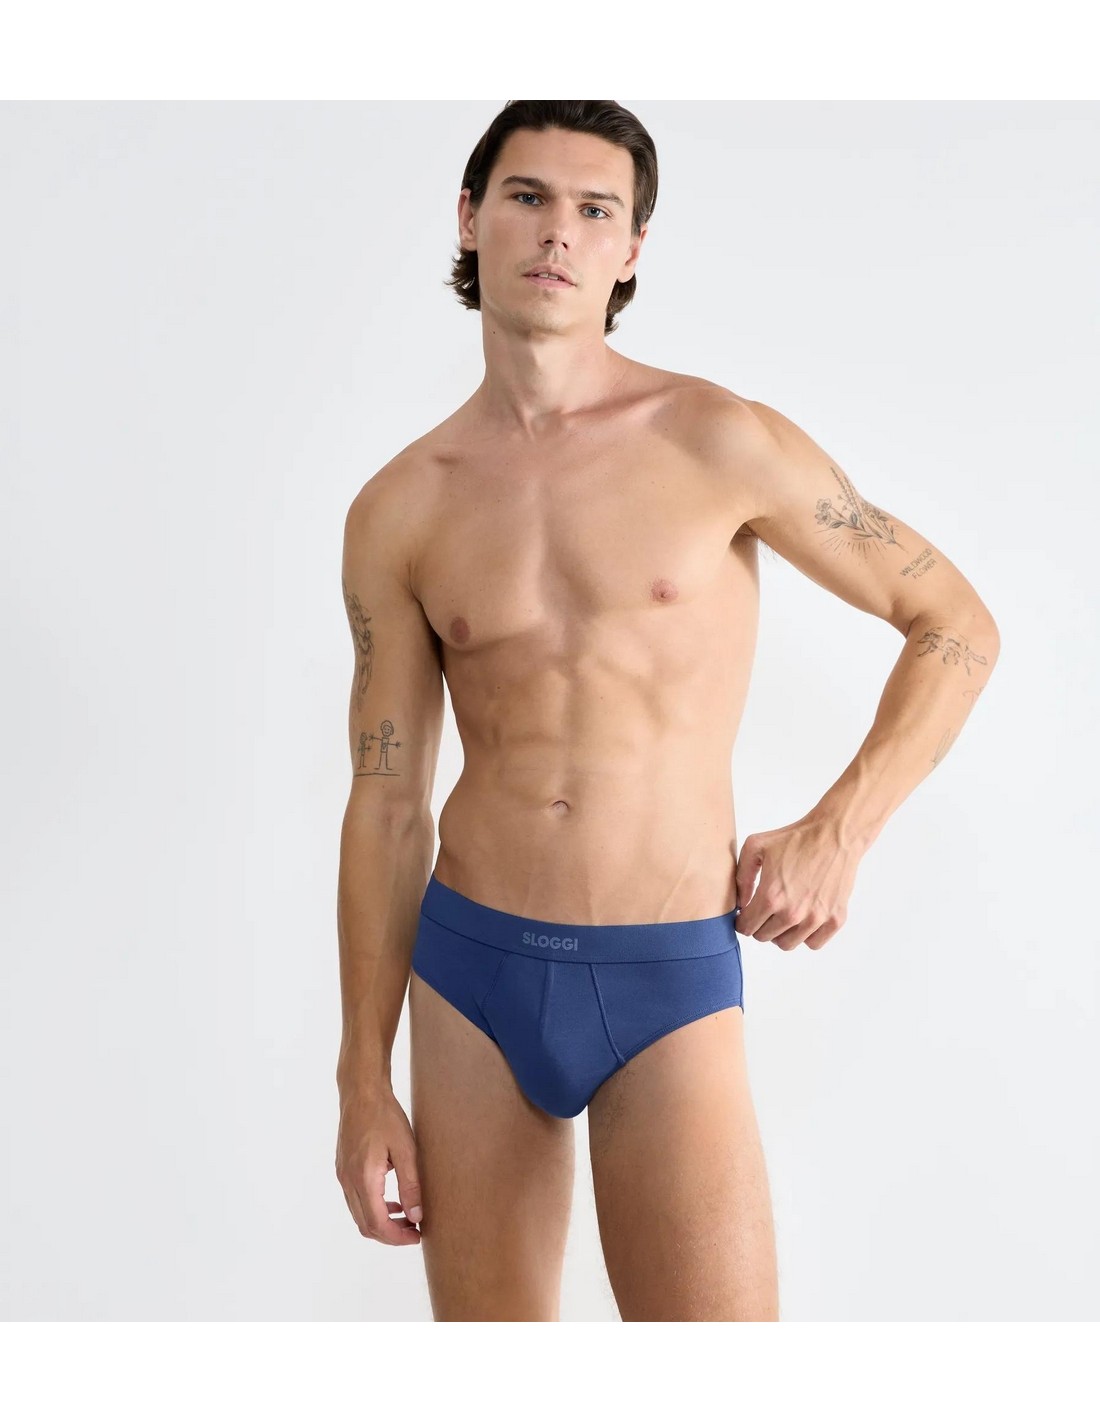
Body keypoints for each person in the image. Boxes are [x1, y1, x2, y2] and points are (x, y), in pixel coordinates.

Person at [333, 100, 1000, 1322]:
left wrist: (839, 829)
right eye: (528, 197)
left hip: (664, 970)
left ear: (631, 247)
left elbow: (953, 623)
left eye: (596, 210)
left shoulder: (716, 439)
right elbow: (385, 802)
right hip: (470, 974)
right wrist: (360, 1080)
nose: (559, 232)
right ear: (470, 218)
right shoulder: (399, 507)